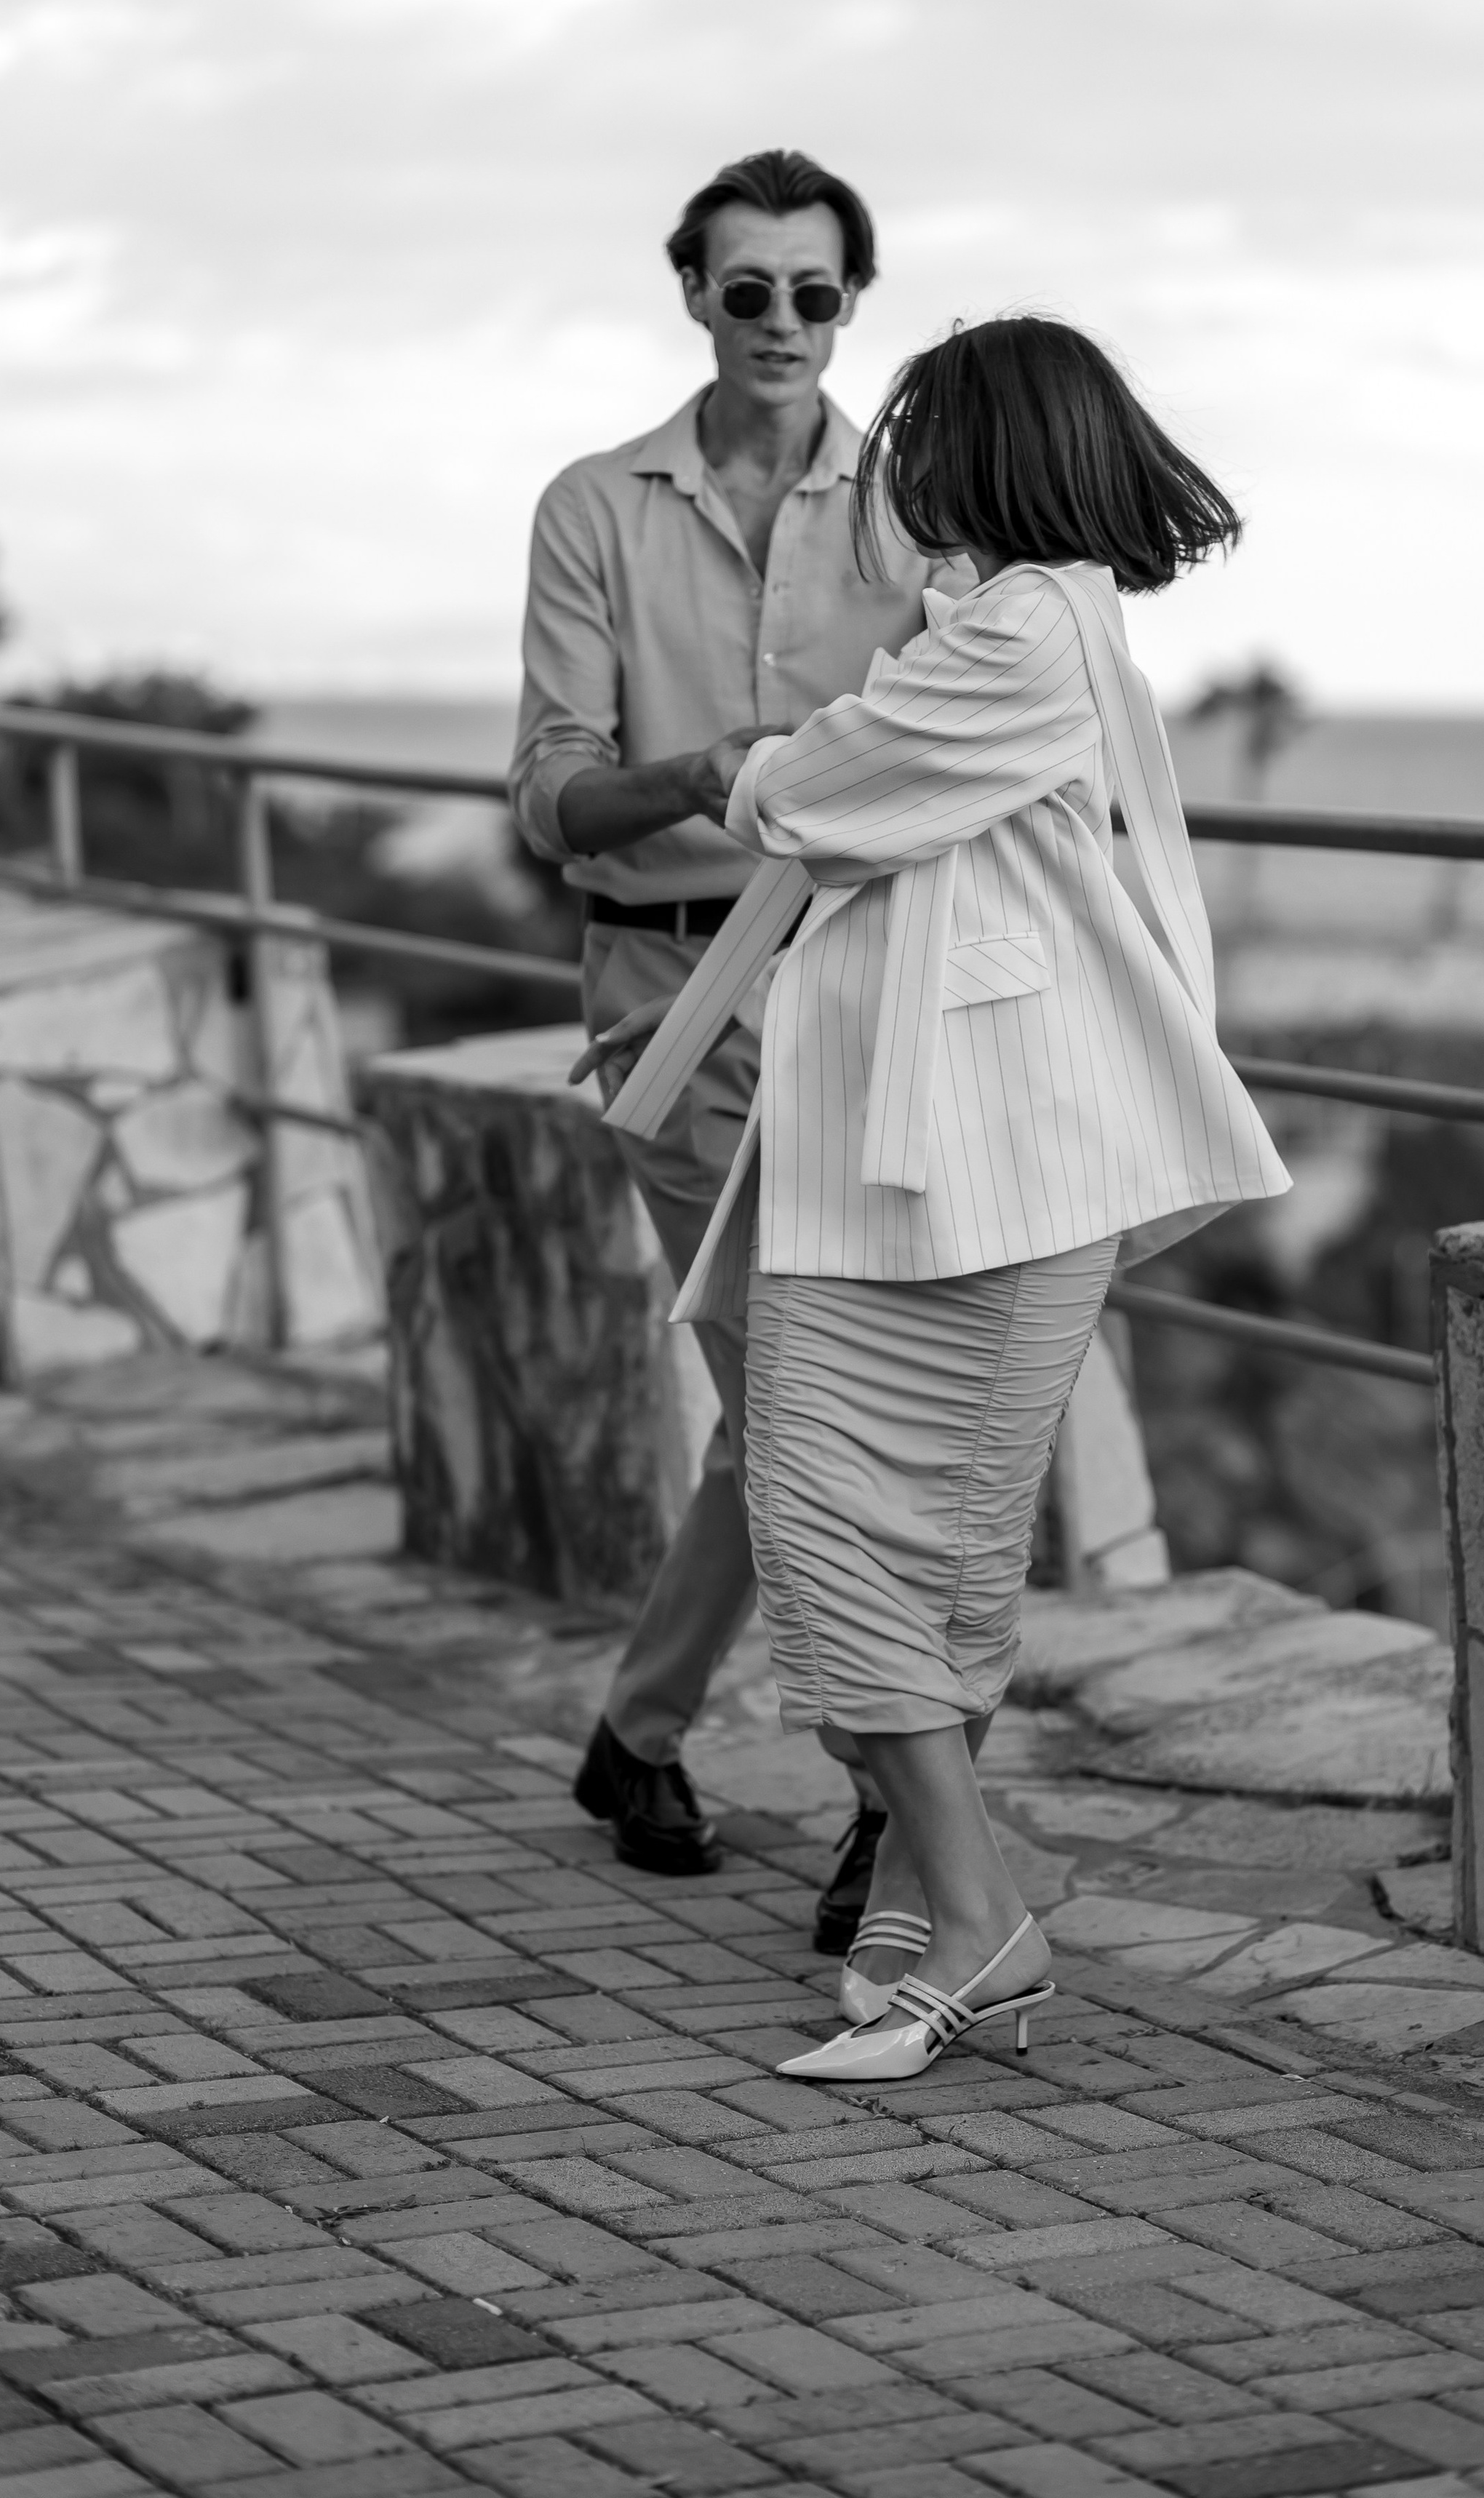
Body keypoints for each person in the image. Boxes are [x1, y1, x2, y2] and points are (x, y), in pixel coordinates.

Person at [595, 317, 1292, 2080]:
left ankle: (978, 1924)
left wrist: (747, 766)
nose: (887, 467)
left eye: (911, 437)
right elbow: (872, 783)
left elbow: (822, 790)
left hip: (981, 1169)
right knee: (906, 1543)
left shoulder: (1030, 629)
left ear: (980, 453)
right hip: (924, 1166)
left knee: (843, 1527)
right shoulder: (1004, 620)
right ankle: (926, 1884)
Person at [507, 148, 970, 1935]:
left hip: (862, 993)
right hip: (671, 997)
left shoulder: (917, 509)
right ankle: (897, 1810)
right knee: (807, 1404)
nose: (783, 320)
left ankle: (639, 1731)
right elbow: (554, 802)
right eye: (748, 288)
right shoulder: (591, 509)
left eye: (817, 291)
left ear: (854, 301)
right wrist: (695, 775)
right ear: (690, 293)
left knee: (781, 1403)